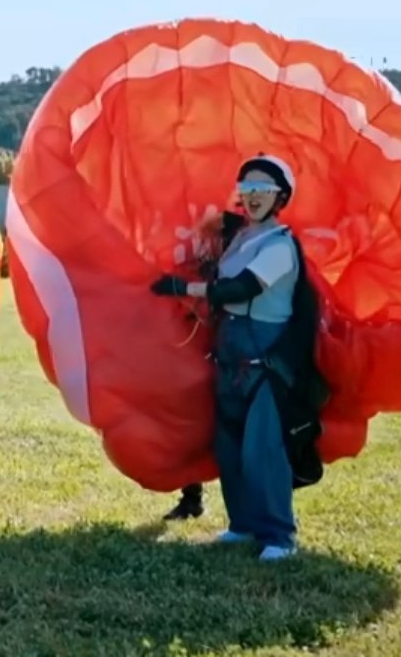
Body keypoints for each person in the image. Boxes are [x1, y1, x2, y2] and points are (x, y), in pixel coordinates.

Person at [149, 155, 322, 561]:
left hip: (266, 360)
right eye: (247, 190)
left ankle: (279, 535)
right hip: (230, 354)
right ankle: (242, 524)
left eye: (262, 189)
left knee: (262, 448)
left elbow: (241, 288)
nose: (254, 196)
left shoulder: (281, 245)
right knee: (229, 446)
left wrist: (184, 288)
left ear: (281, 195)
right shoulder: (241, 239)